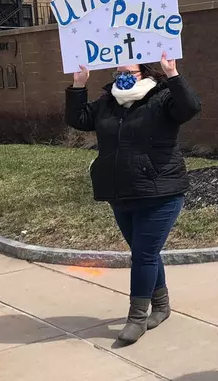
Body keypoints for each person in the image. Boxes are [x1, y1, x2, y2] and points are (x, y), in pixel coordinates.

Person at [65, 53, 202, 345]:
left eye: (128, 72)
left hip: (161, 191)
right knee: (146, 252)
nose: (121, 78)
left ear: (144, 73)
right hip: (121, 191)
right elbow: (78, 119)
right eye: (117, 73)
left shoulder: (162, 97)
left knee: (143, 254)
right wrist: (79, 86)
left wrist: (173, 75)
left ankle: (137, 318)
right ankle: (161, 306)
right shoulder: (107, 102)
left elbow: (190, 107)